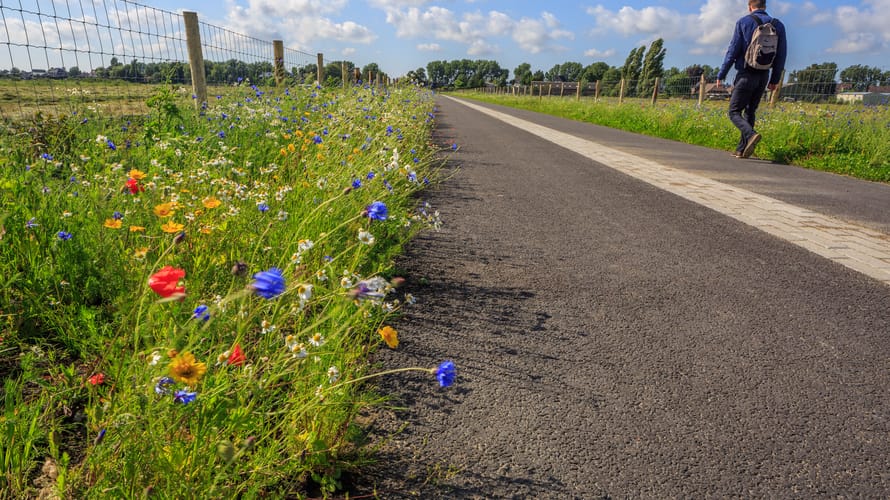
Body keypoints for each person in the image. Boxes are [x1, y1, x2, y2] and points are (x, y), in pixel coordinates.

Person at [716, 0, 787, 159]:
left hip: (746, 74)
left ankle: (751, 134)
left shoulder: (744, 22)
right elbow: (781, 54)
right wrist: (775, 79)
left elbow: (733, 50)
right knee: (750, 111)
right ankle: (742, 149)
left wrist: (722, 74)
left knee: (734, 111)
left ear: (750, 6)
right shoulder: (778, 25)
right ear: (765, 6)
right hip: (763, 75)